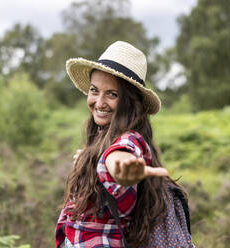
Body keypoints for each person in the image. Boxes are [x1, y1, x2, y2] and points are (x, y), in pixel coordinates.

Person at [55, 41, 184, 248]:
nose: (99, 102)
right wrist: (88, 160)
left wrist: (119, 169)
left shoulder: (129, 140)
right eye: (94, 90)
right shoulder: (100, 137)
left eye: (112, 94)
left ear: (130, 101)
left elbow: (118, 156)